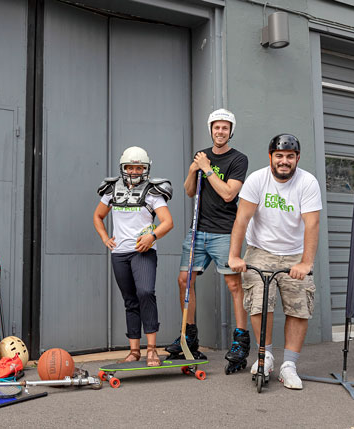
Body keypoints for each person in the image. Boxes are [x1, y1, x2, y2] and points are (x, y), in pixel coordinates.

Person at [227, 133, 321, 389]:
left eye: (290, 156)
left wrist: (306, 262)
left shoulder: (308, 182)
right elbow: (242, 219)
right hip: (261, 250)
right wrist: (234, 256)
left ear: (297, 158)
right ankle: (265, 355)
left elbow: (312, 223)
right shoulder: (257, 180)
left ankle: (289, 365)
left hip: (294, 252)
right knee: (259, 303)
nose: (284, 161)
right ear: (270, 157)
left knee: (298, 307)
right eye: (279, 156)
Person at [164, 109, 251, 374]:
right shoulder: (202, 155)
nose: (220, 132)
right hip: (198, 230)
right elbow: (190, 191)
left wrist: (206, 169)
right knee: (184, 280)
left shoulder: (238, 159)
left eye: (225, 128)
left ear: (231, 131)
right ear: (211, 129)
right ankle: (188, 338)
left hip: (225, 230)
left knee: (233, 284)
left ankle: (240, 341)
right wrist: (193, 170)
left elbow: (228, 194)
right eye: (216, 128)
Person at [93, 146, 174, 367]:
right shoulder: (111, 190)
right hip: (120, 253)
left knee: (146, 293)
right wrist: (104, 237)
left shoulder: (153, 192)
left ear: (145, 168)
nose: (135, 171)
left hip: (143, 251)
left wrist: (152, 237)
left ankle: (151, 350)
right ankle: (134, 350)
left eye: (139, 167)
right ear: (123, 167)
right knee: (130, 301)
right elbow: (98, 216)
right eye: (130, 167)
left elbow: (168, 222)